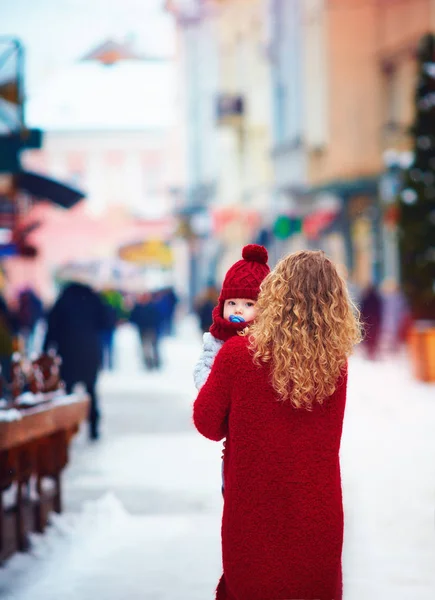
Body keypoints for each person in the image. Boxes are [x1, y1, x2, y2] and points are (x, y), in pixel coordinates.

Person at [193, 250, 362, 600]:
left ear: (274, 294)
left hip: (254, 513)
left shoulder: (239, 355)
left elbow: (208, 424)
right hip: (318, 512)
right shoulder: (337, 367)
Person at [44, 280, 111, 440]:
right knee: (91, 391)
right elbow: (106, 322)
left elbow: (51, 328)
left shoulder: (63, 300)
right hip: (89, 352)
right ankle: (93, 427)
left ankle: (67, 429)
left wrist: (46, 351)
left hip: (68, 353)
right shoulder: (93, 299)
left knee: (67, 393)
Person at [360, 282, 383, 360]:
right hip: (375, 321)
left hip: (368, 321)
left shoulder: (366, 298)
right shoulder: (377, 298)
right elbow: (380, 310)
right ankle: (372, 352)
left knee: (369, 337)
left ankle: (370, 352)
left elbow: (363, 310)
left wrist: (362, 320)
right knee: (374, 337)